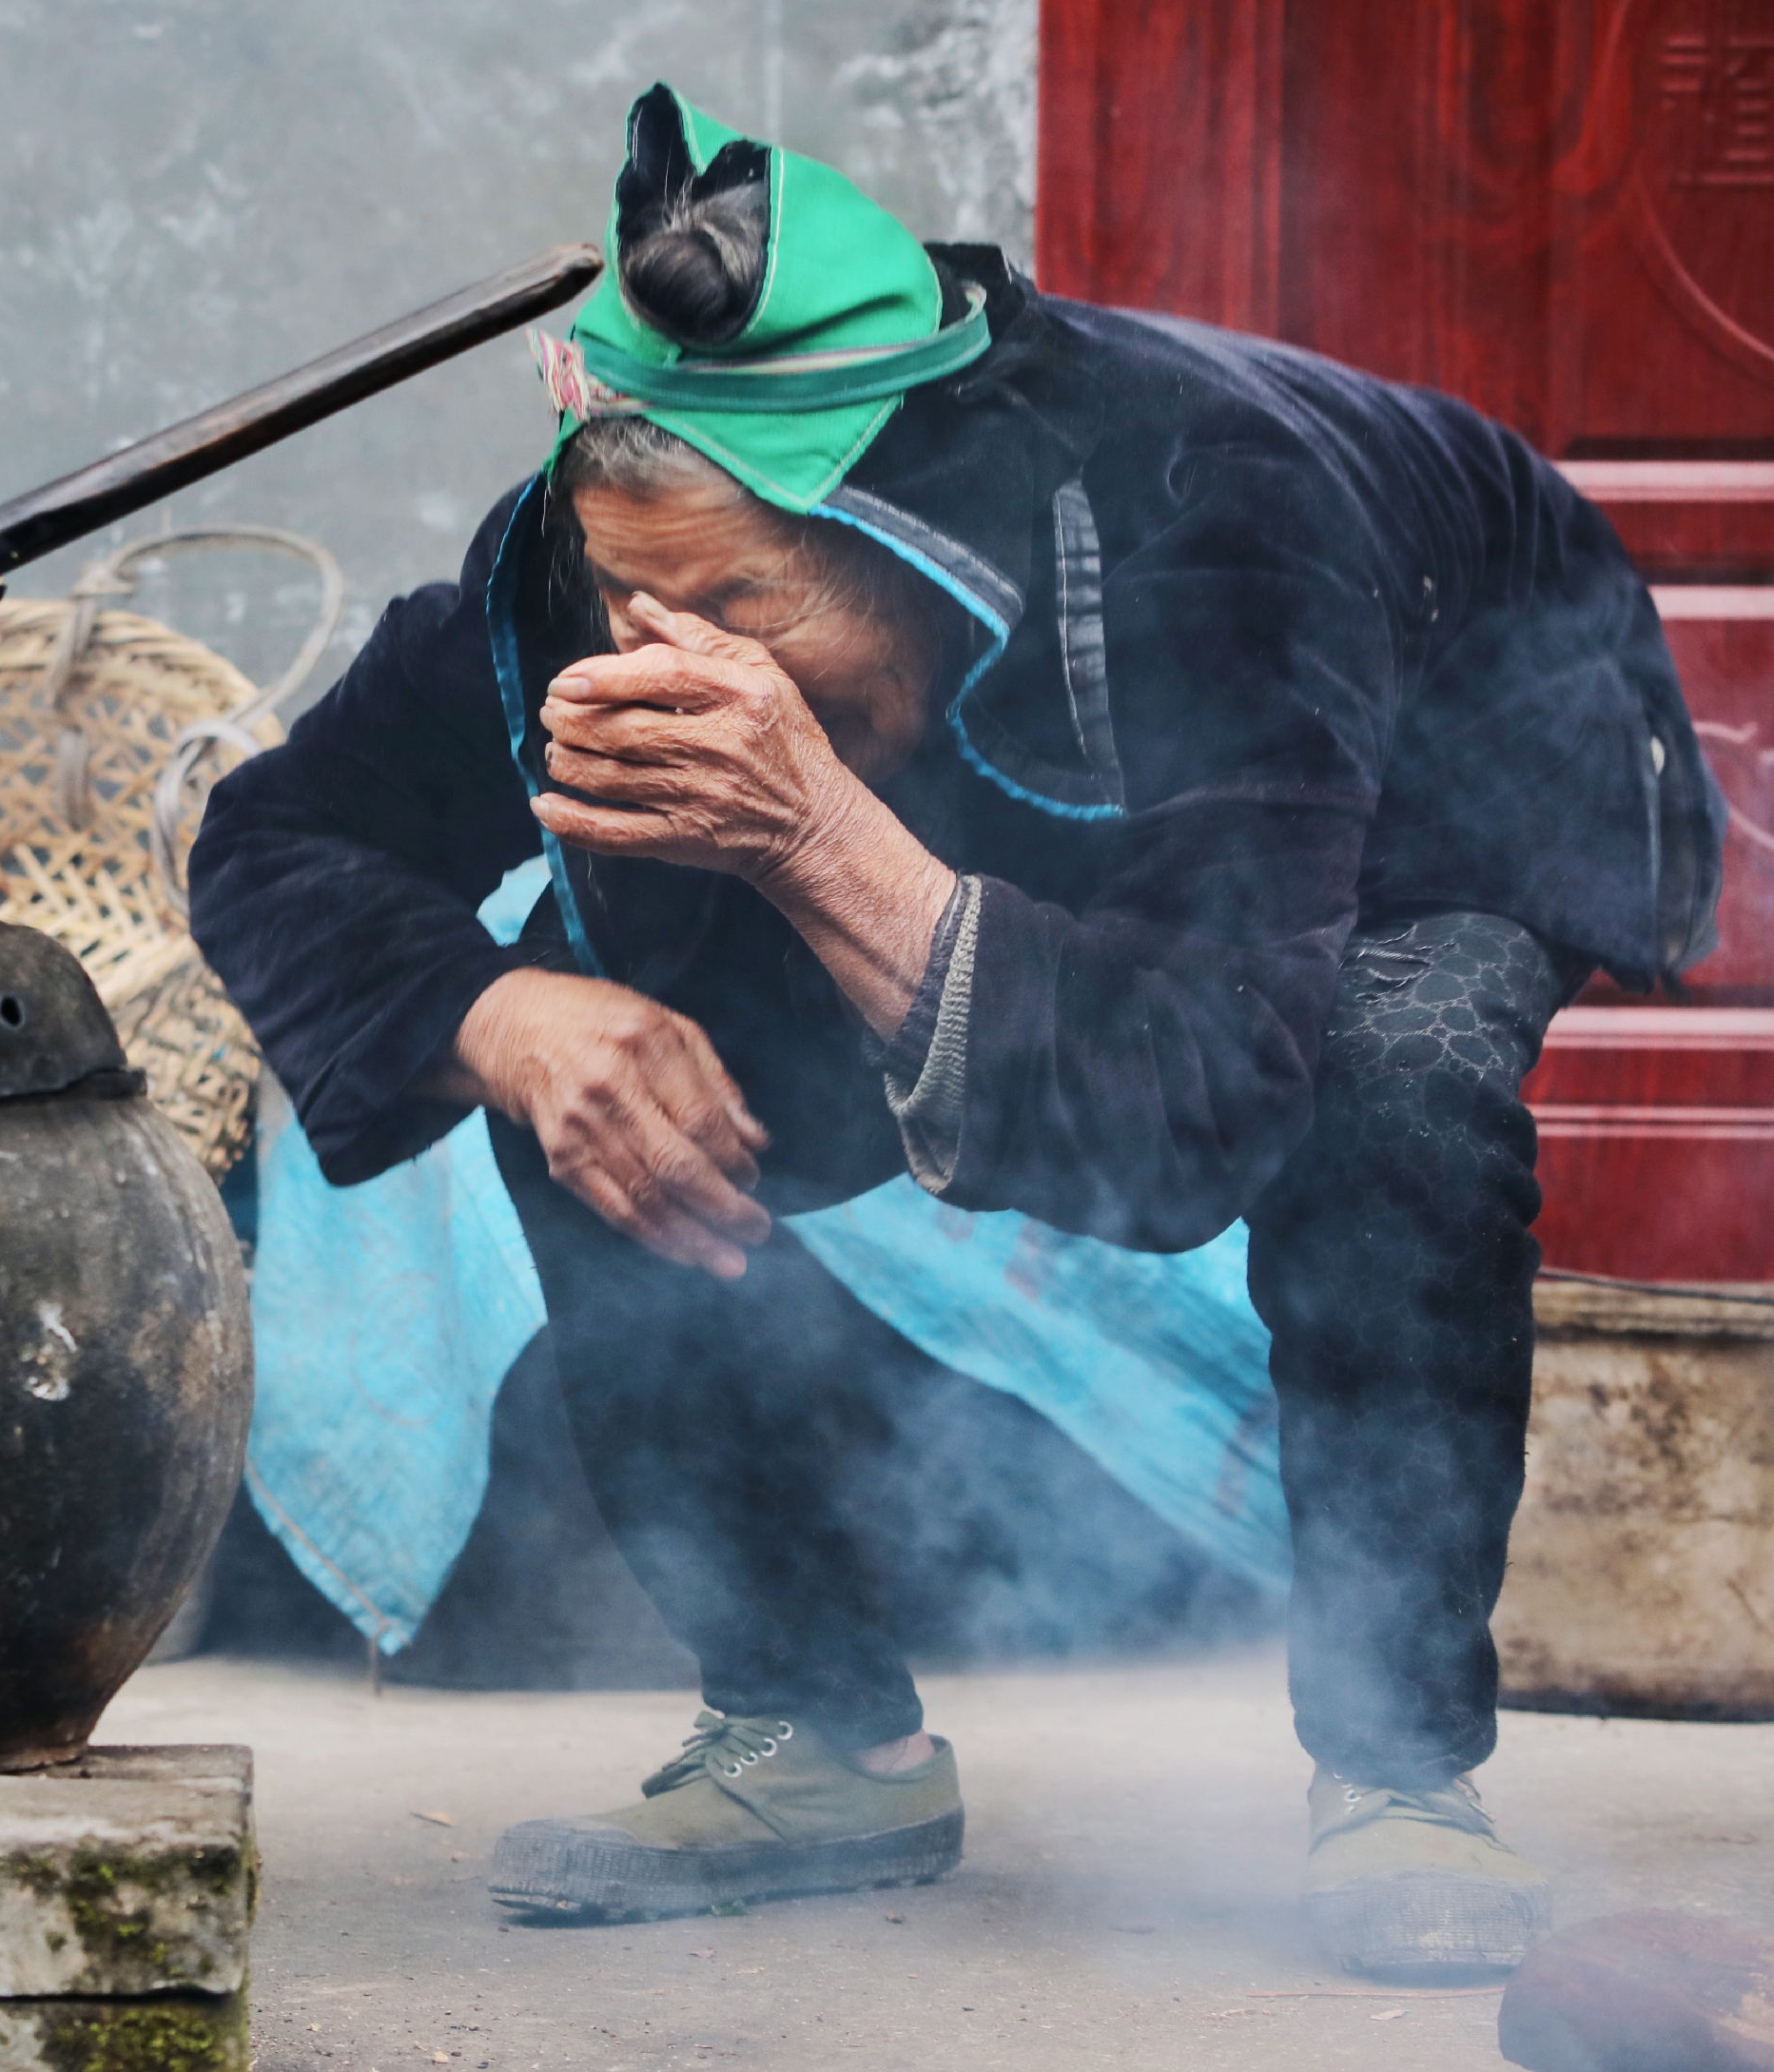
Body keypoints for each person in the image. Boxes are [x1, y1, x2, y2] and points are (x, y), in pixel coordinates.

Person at [187, 83, 1722, 1975]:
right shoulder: (563, 583)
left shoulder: (1210, 529)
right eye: (629, 601)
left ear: (910, 538)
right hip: (1002, 791)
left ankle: (1400, 1768)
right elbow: (279, 832)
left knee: (1384, 1096)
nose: (671, 663)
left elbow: (1204, 1104)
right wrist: (499, 1013)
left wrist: (828, 838)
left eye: (740, 602)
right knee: (594, 1073)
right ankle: (817, 1735)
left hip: (1430, 756)